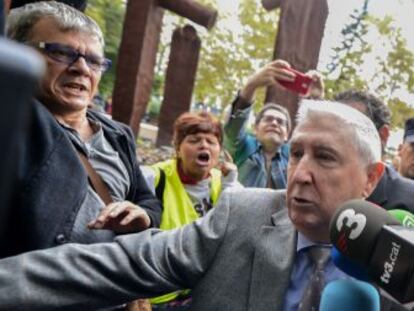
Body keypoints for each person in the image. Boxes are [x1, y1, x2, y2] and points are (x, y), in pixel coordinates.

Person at [1, 100, 399, 311]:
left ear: (371, 178)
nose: (301, 173)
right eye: (296, 154)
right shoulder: (242, 214)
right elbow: (121, 264)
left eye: (325, 157)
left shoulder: (399, 260)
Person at [3, 1, 161, 258]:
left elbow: (148, 201)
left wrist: (144, 217)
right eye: (61, 53)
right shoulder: (16, 122)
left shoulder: (118, 135)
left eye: (94, 61)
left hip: (112, 291)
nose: (82, 68)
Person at [92, 111, 241, 310]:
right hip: (156, 298)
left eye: (211, 142)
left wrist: (229, 186)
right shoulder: (153, 177)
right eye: (194, 140)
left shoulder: (226, 183)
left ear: (219, 151)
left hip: (200, 297)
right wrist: (131, 296)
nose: (204, 145)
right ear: (178, 148)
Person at [223, 60, 322, 189]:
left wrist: (314, 102)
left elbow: (311, 135)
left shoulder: (293, 155)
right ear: (255, 129)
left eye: (281, 122)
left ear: (287, 135)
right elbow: (234, 127)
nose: (274, 123)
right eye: (268, 119)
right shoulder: (241, 147)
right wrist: (252, 85)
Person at [334, 90, 414, 213]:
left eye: (350, 131)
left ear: (382, 136)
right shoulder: (309, 184)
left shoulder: (408, 200)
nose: (334, 140)